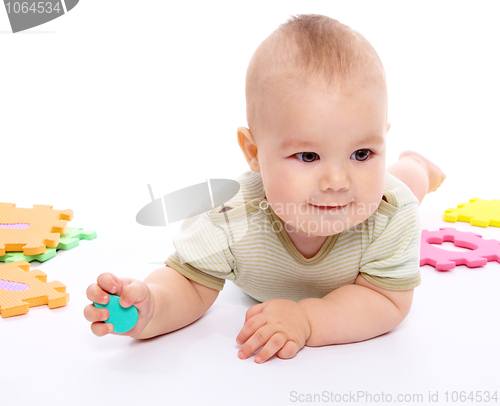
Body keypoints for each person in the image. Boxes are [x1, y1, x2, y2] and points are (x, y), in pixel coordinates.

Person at [84, 14, 445, 364]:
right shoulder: (229, 216)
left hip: (393, 194)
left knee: (408, 184)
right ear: (254, 153)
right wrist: (153, 306)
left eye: (362, 153)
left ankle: (417, 165)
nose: (337, 181)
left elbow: (386, 300)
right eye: (308, 156)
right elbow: (190, 282)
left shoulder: (389, 212)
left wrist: (307, 319)